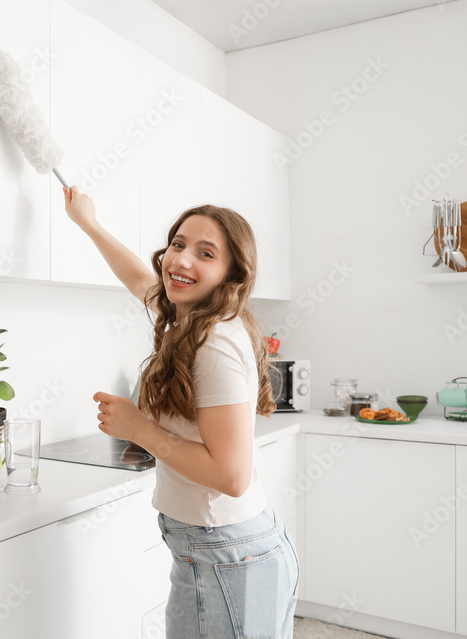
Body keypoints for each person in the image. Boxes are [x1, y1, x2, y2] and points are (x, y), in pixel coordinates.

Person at [63, 185, 299, 638]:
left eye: (205, 253)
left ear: (231, 275)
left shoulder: (215, 343)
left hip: (226, 554)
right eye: (178, 244)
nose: (181, 260)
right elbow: (138, 279)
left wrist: (141, 428)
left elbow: (232, 476)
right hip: (220, 550)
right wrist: (88, 223)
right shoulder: (191, 318)